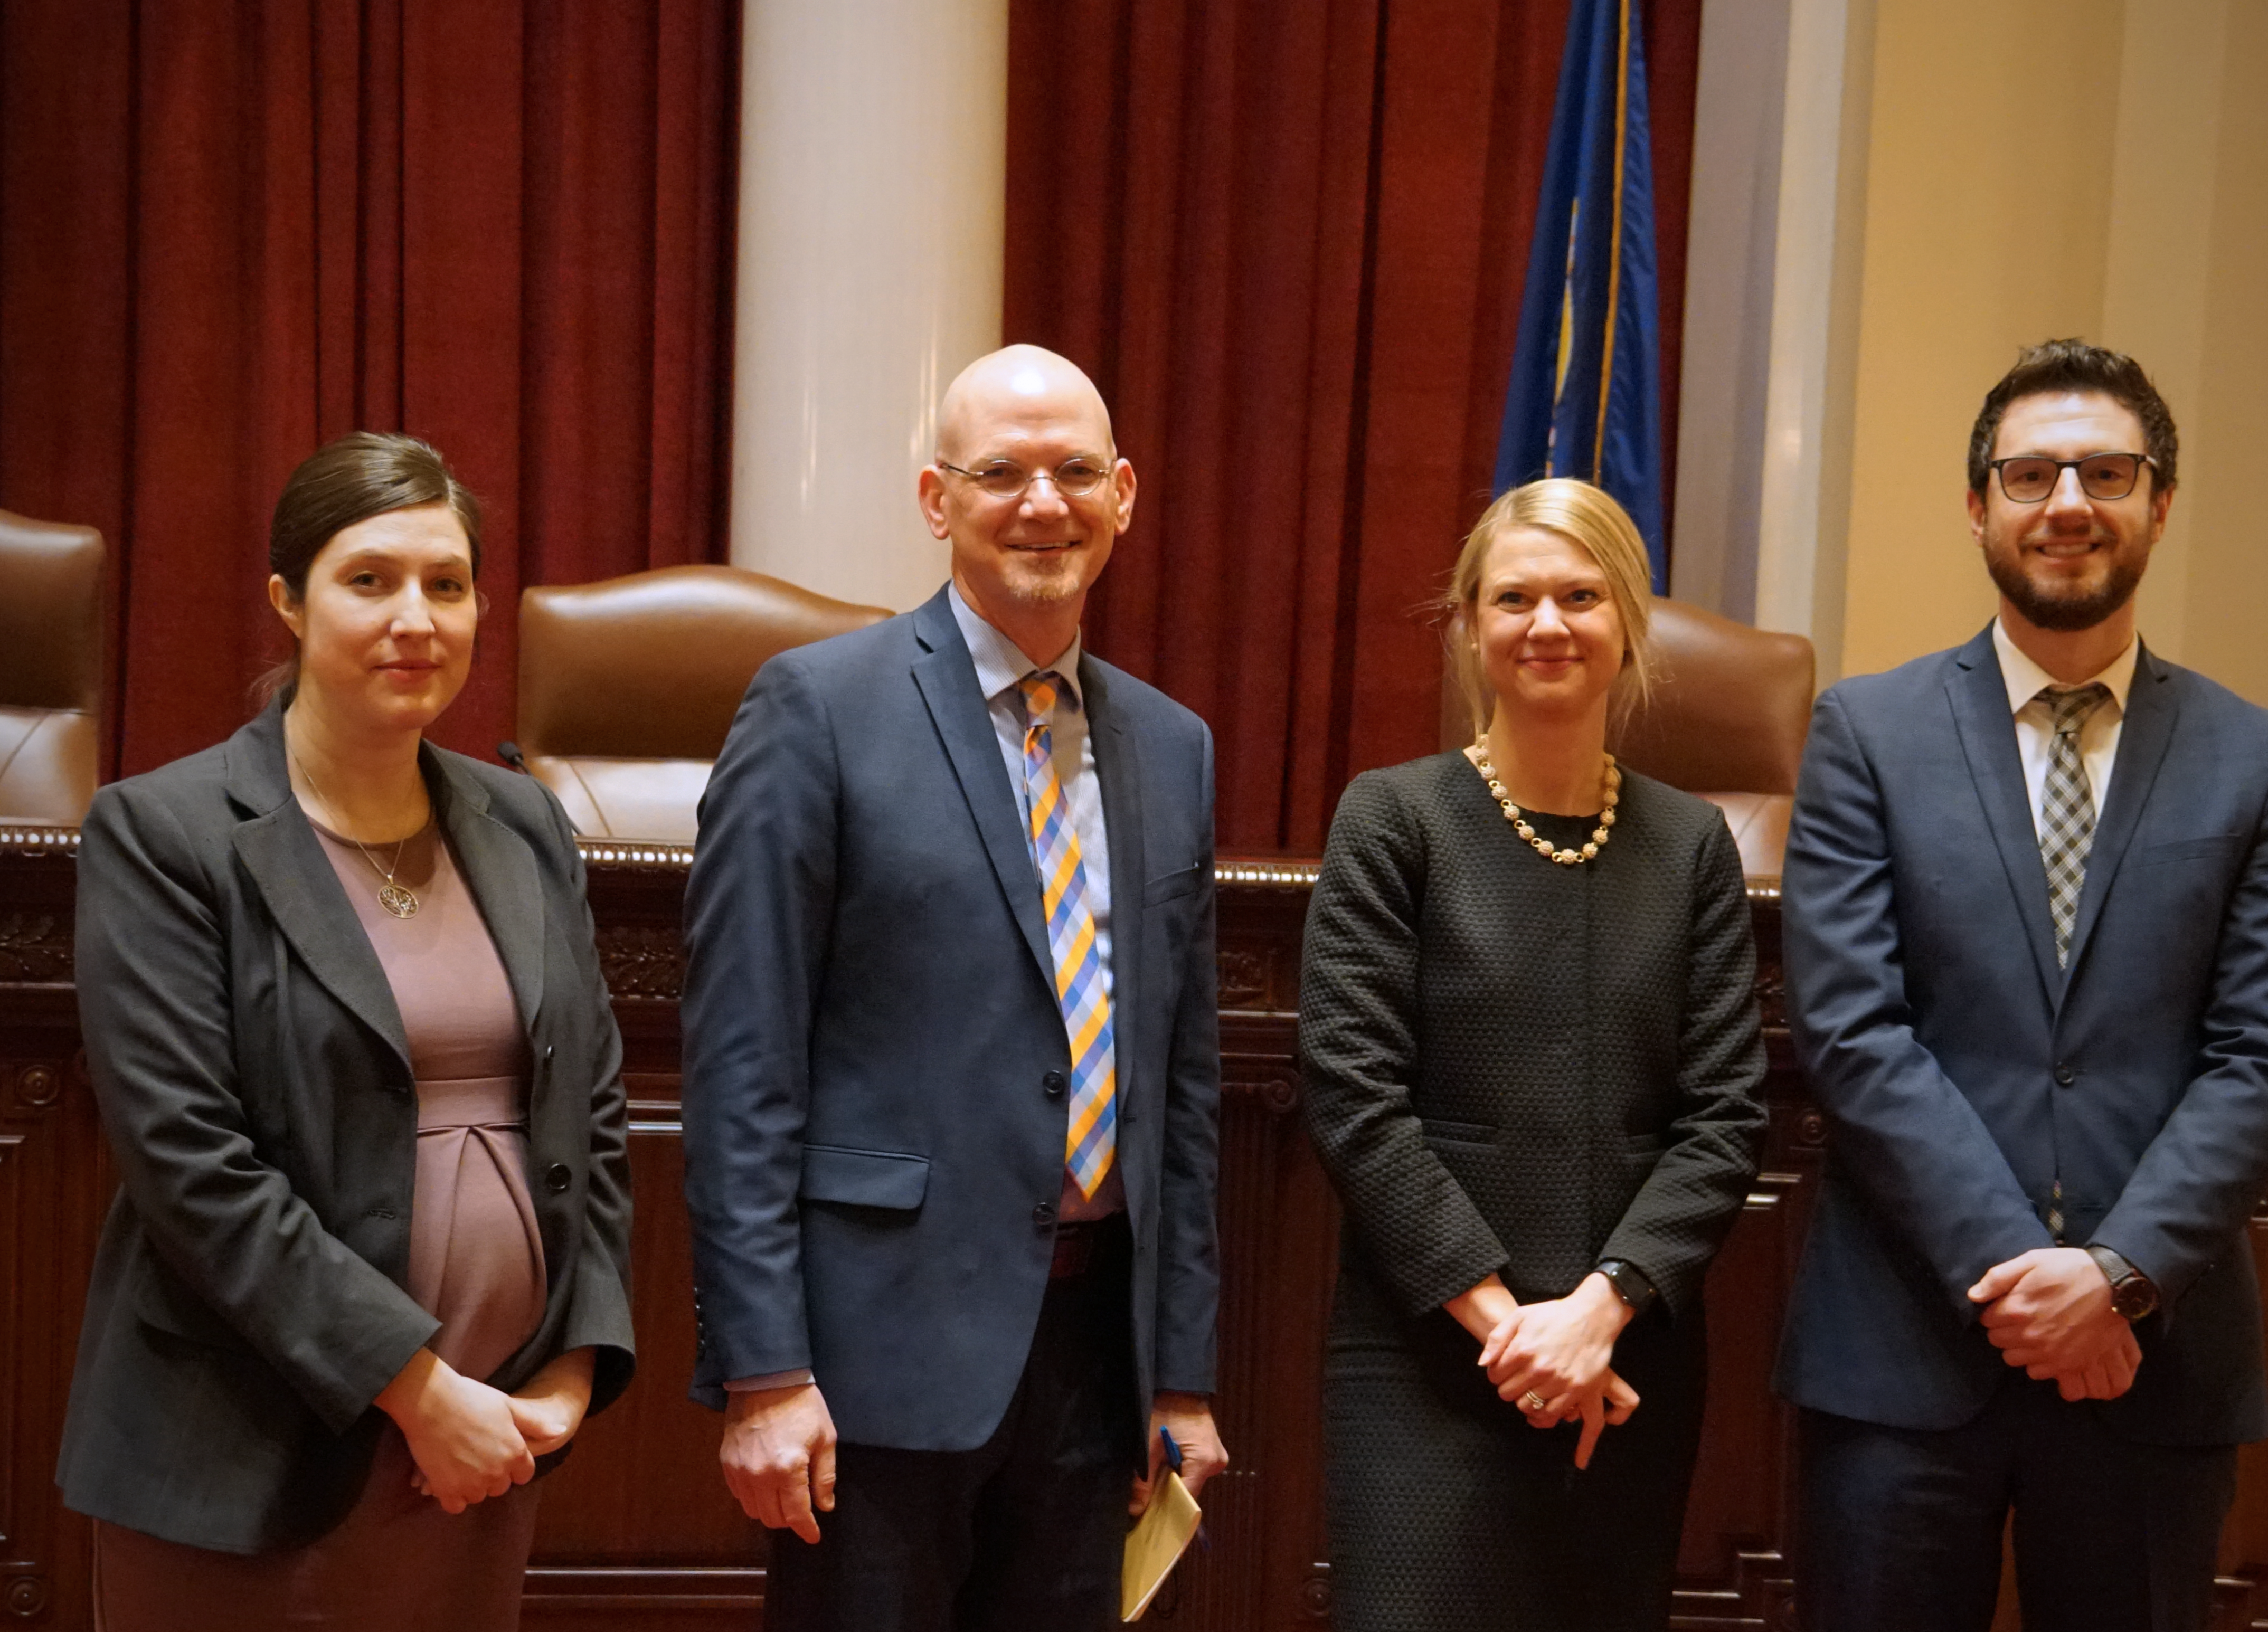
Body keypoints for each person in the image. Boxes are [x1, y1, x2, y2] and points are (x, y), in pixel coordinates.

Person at [1774, 339, 2268, 1632]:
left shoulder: (2254, 758)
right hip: (1903, 1352)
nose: (2068, 501)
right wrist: (2028, 1273)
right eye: (2031, 473)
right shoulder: (1869, 732)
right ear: (1979, 506)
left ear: (2159, 504)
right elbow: (1853, 1031)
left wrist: (2118, 1277)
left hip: (2156, 1357)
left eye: (2106, 471)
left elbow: (2266, 1052)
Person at [682, 344, 1228, 1631]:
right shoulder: (816, 708)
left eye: (1076, 471)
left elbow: (1183, 1094)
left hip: (1097, 1366)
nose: (1044, 502)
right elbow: (743, 1066)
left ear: (1126, 495)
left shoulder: (1173, 743)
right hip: (876, 1363)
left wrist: (1181, 1372)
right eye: (1002, 474)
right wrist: (764, 1371)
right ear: (937, 501)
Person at [56, 432, 636, 1631]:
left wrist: (572, 1367)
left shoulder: (528, 821)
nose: (414, 616)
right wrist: (415, 1386)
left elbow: (596, 1111)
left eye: (447, 582)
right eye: (368, 579)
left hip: (482, 1447)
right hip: (247, 1450)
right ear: (288, 599)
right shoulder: (166, 834)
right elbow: (192, 1170)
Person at [1298, 477, 1770, 1632]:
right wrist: (1521, 1333)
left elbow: (1724, 1119)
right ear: (1468, 626)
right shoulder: (1393, 819)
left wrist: (1595, 1316)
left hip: (1627, 1360)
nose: (1547, 624)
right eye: (1513, 598)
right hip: (1428, 1360)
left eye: (1579, 596)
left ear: (1628, 626)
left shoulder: (1692, 843)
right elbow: (1358, 1101)